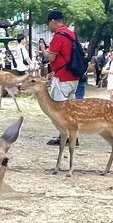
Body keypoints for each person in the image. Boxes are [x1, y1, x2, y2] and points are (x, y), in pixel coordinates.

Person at [46, 10, 79, 146]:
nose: (48, 26)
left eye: (48, 23)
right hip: (73, 76)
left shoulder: (58, 36)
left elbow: (51, 57)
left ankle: (63, 137)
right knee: (70, 110)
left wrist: (44, 52)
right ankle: (73, 137)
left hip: (62, 77)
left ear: (53, 21)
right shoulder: (71, 34)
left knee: (60, 109)